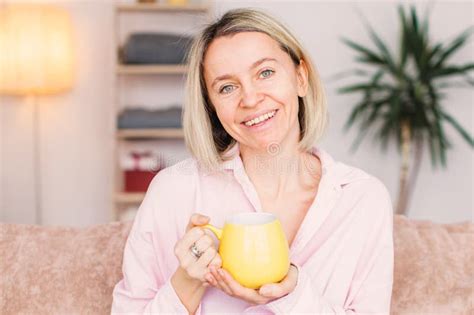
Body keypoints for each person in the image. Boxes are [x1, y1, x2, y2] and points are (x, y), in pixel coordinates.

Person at [111, 7, 394, 315]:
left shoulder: (362, 199)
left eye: (265, 73)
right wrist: (188, 282)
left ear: (300, 78)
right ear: (212, 107)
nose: (250, 98)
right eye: (227, 87)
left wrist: (294, 292)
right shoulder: (174, 192)